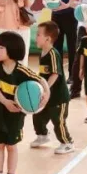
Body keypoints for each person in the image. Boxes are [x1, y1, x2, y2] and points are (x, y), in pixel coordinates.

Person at [0, 31, 49, 174]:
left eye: (1, 48)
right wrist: (5, 102)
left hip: (15, 116)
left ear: (12, 50)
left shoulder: (22, 71)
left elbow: (41, 80)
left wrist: (46, 94)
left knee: (11, 146)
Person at [31, 21, 74, 154]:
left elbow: (55, 74)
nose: (36, 37)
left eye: (38, 34)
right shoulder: (42, 52)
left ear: (48, 39)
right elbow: (44, 74)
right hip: (46, 95)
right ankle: (42, 136)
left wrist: (46, 89)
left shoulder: (53, 54)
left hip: (58, 97)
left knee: (58, 121)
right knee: (37, 116)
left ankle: (67, 143)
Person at [48, 0, 82, 94]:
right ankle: (58, 74)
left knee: (73, 46)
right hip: (56, 15)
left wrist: (67, 5)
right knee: (56, 45)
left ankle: (72, 76)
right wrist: (49, 2)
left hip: (71, 15)